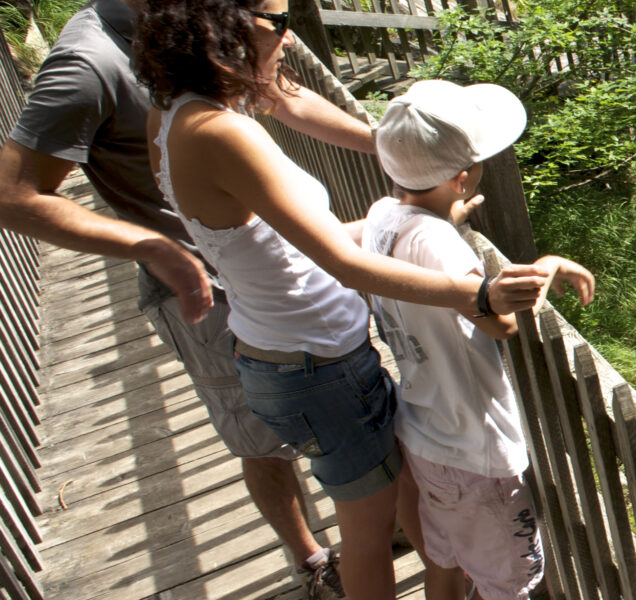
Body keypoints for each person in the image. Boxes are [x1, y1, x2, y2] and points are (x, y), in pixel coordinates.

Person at [132, 1, 553, 598]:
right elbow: (341, 260)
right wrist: (477, 292)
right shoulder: (222, 133)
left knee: (401, 493)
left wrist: (413, 170)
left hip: (281, 350)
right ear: (224, 25)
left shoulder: (172, 112)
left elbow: (286, 238)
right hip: (316, 365)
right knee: (367, 535)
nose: (289, 36)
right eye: (279, 23)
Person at [0, 0, 375, 595]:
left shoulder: (202, 20)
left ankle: (372, 523)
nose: (286, 36)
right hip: (197, 289)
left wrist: (385, 143)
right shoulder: (87, 61)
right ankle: (312, 561)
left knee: (332, 408)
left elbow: (278, 87)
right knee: (261, 437)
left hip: (268, 265)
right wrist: (153, 248)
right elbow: (13, 196)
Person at [365, 79, 592, 600]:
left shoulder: (382, 217)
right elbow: (501, 321)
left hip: (424, 433)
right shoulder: (441, 247)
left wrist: (451, 217)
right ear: (463, 178)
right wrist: (548, 266)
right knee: (509, 582)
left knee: (444, 563)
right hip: (477, 452)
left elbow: (416, 238)